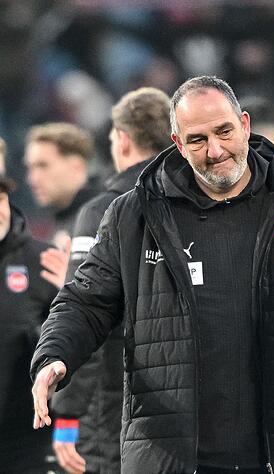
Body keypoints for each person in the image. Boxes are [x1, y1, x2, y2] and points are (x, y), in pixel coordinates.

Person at [30, 76, 274, 474]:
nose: (215, 150)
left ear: (246, 126)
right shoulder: (134, 215)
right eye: (198, 140)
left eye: (224, 131)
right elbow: (86, 300)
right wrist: (55, 355)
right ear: (178, 143)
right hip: (173, 458)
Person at [49, 87, 172, 474]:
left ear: (121, 138)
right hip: (180, 400)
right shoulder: (191, 201)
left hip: (113, 403)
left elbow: (88, 314)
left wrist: (67, 416)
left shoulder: (102, 210)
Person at [0, 174, 61, 472]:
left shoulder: (45, 261)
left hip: (26, 443)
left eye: (0, 198)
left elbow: (81, 356)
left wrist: (68, 431)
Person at [24, 122, 98, 242]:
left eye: (43, 166)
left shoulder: (104, 217)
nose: (32, 179)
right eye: (30, 168)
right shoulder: (62, 221)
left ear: (77, 167)